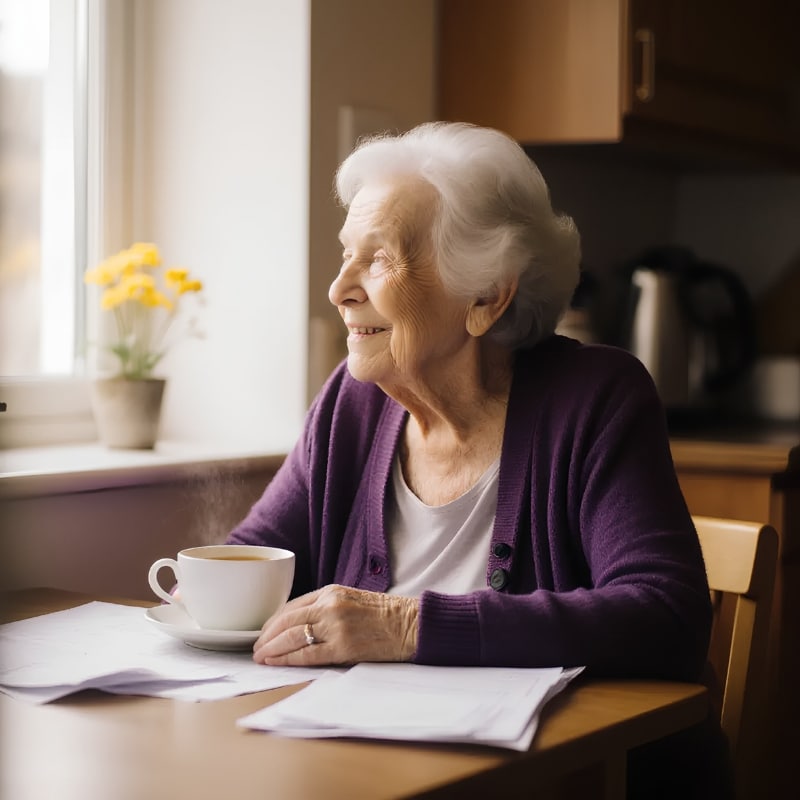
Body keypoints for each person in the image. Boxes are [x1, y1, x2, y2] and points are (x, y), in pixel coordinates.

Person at [227, 122, 730, 797]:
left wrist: (406, 625)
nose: (339, 289)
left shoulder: (597, 399)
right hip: (378, 773)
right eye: (347, 255)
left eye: (377, 259)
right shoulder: (352, 405)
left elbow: (666, 616)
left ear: (488, 296)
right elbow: (255, 562)